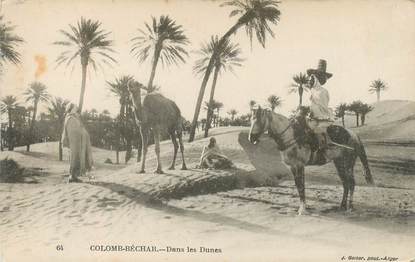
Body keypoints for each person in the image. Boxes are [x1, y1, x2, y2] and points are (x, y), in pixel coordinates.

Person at [304, 59, 335, 164]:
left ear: (316, 79)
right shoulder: (312, 92)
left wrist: (314, 113)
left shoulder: (323, 92)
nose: (309, 80)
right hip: (313, 117)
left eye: (311, 79)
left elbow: (323, 107)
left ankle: (322, 152)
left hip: (323, 117)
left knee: (317, 129)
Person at [61, 105, 94, 182]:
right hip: (74, 143)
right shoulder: (70, 118)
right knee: (74, 158)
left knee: (77, 158)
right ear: (71, 109)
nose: (76, 108)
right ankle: (72, 177)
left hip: (78, 142)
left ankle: (74, 176)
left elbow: (80, 129)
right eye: (75, 107)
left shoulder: (75, 118)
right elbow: (72, 132)